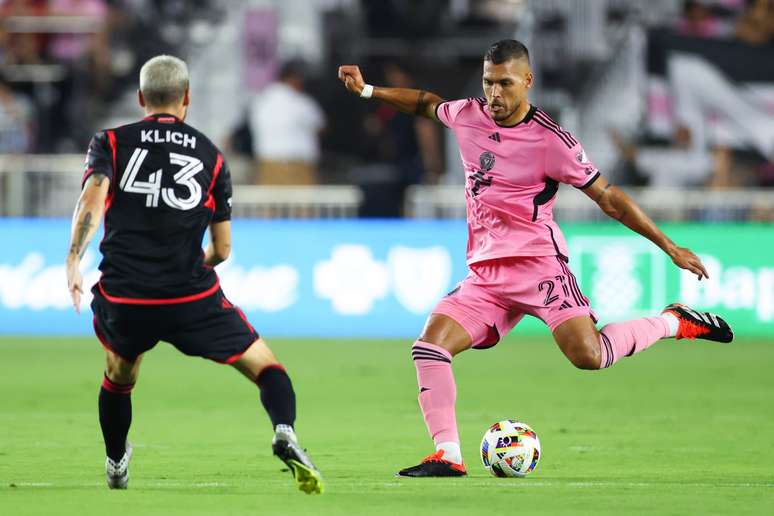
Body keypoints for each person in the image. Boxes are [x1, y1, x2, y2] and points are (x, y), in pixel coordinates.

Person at [338, 39, 734, 478]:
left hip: (539, 267)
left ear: (527, 80)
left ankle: (674, 322)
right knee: (429, 348)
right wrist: (368, 91)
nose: (494, 94)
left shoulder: (551, 140)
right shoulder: (468, 115)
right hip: (486, 275)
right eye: (488, 82)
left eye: (505, 83)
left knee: (589, 355)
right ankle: (447, 455)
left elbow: (609, 198)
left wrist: (669, 246)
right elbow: (427, 103)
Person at [65, 55, 323, 494]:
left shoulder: (110, 141)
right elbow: (222, 250)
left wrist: (73, 259)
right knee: (267, 367)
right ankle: (285, 431)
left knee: (119, 375)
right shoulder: (211, 155)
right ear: (187, 97)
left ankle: (116, 462)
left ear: (141, 98)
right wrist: (185, 272)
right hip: (188, 295)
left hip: (127, 294)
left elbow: (93, 197)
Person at [248, 59, 326, 185]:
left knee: (270, 198)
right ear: (293, 78)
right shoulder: (302, 102)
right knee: (302, 198)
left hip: (267, 164)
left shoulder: (261, 100)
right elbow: (321, 128)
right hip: (298, 166)